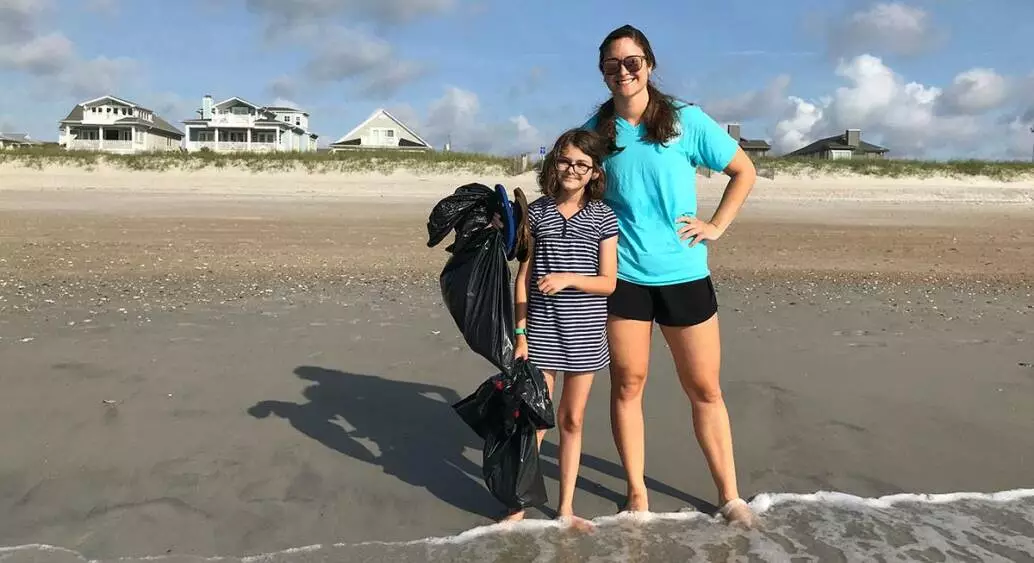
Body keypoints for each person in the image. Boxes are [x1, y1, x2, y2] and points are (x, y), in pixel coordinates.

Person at [581, 24, 759, 527]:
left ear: (650, 65)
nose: (624, 72)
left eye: (632, 62)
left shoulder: (686, 122)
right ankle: (637, 492)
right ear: (603, 73)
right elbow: (571, 187)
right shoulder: (597, 130)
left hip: (683, 273)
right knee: (627, 385)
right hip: (624, 279)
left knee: (704, 388)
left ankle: (730, 496)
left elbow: (743, 170)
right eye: (612, 65)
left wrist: (716, 226)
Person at [503, 128, 619, 528]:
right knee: (536, 419)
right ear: (555, 163)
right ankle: (517, 503)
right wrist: (520, 335)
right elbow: (522, 279)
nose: (572, 169)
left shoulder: (604, 216)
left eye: (582, 164)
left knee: (572, 420)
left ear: (594, 173)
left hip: (585, 334)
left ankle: (565, 507)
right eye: (566, 161)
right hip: (542, 332)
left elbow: (609, 282)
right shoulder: (537, 212)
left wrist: (569, 279)